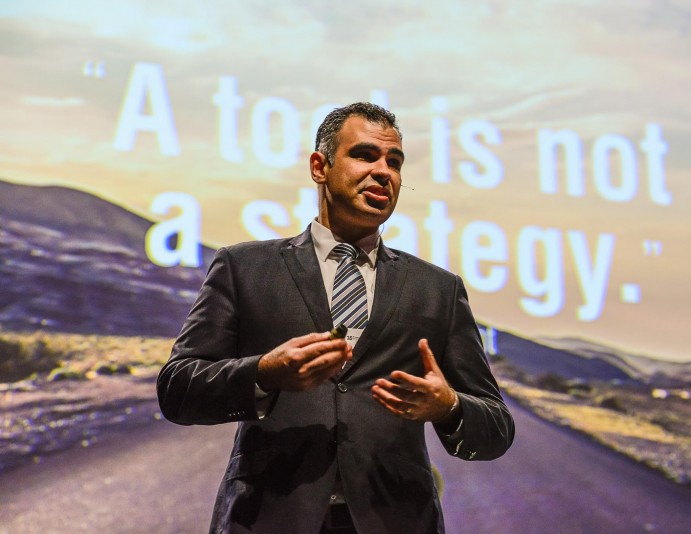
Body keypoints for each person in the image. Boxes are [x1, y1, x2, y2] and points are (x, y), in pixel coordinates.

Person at [157, 102, 514, 533]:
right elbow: (177, 389)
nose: (384, 172)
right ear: (319, 167)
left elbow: (496, 426)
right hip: (269, 519)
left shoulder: (438, 289)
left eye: (394, 162)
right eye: (365, 155)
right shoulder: (244, 267)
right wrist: (264, 373)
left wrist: (449, 407)